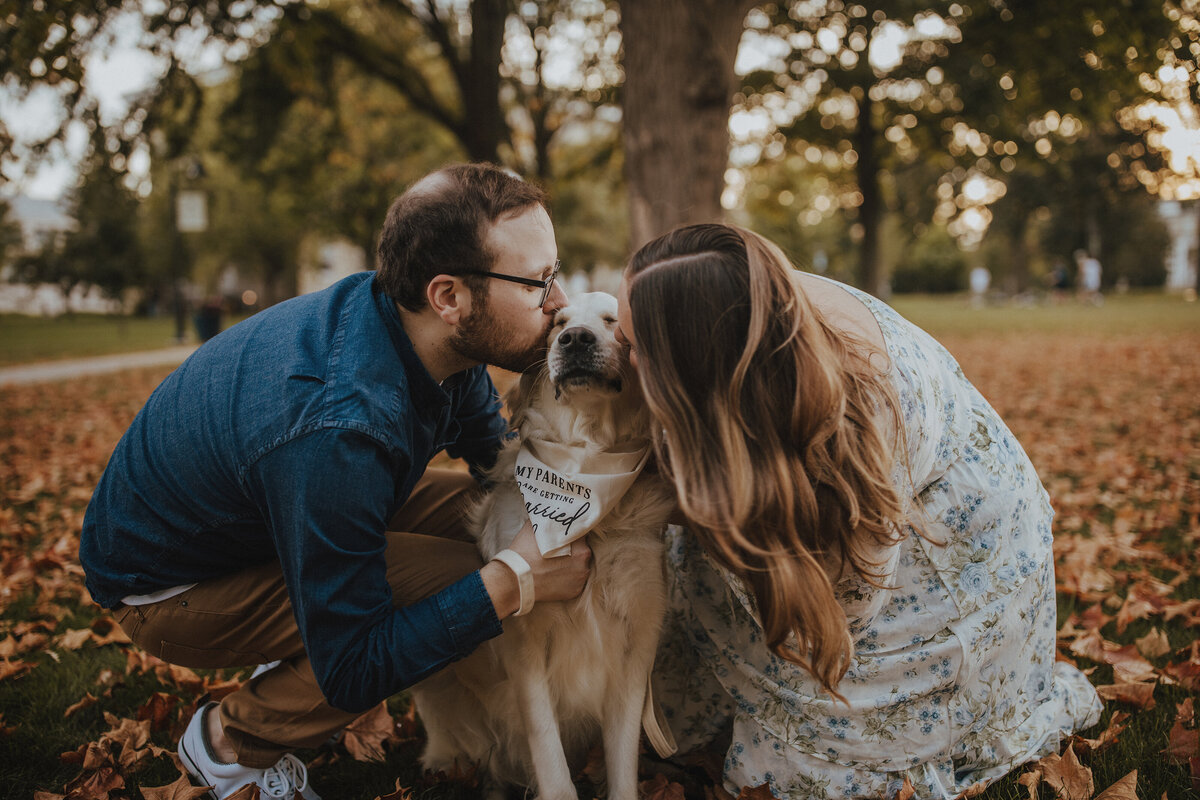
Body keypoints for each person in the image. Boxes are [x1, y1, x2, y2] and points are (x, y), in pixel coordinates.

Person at [79, 163, 593, 800]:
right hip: (166, 588)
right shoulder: (339, 426)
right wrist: (516, 579)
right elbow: (356, 669)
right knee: (472, 577)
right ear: (449, 297)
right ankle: (230, 743)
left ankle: (309, 626)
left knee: (493, 518)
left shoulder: (425, 334)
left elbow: (496, 462)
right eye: (538, 282)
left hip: (266, 522)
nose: (561, 301)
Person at [615, 224, 1101, 800]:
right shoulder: (745, 306)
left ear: (701, 369)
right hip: (871, 521)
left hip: (946, 562)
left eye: (635, 347)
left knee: (793, 780)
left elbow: (843, 615)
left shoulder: (856, 412)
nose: (623, 360)